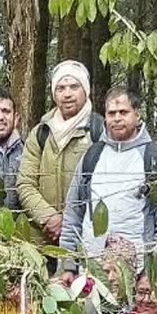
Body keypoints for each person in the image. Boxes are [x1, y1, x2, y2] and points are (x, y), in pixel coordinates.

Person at [61, 87, 157, 265]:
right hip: (92, 270)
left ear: (137, 116)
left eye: (123, 112)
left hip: (137, 269)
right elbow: (72, 214)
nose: (117, 118)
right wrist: (67, 265)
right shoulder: (92, 156)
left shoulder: (154, 159)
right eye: (111, 113)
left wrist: (155, 273)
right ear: (105, 117)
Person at [18, 61, 101, 245]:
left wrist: (69, 221)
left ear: (85, 90)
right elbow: (25, 183)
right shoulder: (41, 132)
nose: (67, 94)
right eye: (61, 88)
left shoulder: (99, 131)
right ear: (54, 94)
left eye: (74, 87)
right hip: (43, 240)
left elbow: (107, 187)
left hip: (85, 238)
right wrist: (49, 217)